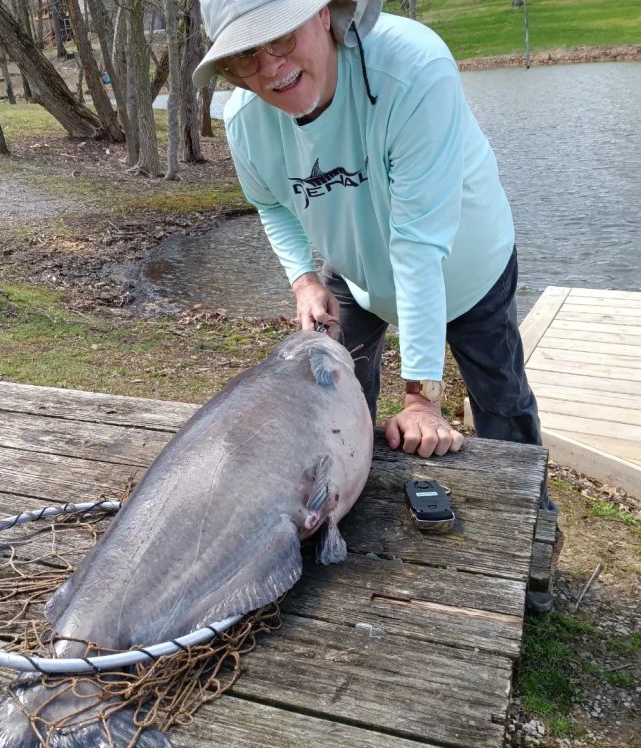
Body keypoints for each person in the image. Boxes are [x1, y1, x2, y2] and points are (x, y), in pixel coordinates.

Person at [193, 0, 560, 609]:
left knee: (501, 401)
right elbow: (273, 205)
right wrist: (304, 280)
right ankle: (335, 528)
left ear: (324, 13)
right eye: (244, 57)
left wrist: (421, 398)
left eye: (280, 37)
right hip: (356, 269)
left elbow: (418, 248)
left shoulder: (412, 69)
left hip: (465, 266)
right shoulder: (245, 121)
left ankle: (532, 549)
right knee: (334, 402)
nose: (270, 67)